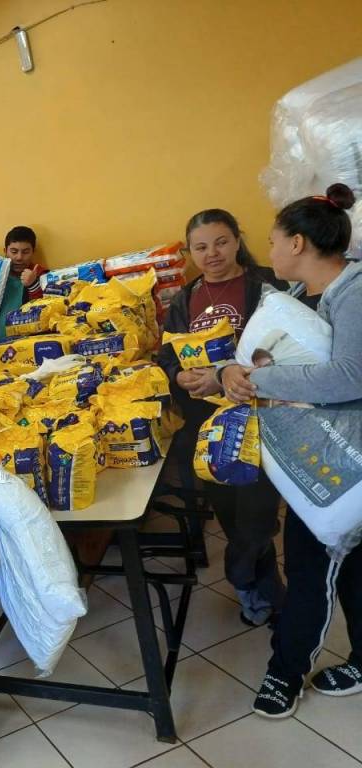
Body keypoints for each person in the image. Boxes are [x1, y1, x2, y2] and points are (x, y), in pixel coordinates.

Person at [219, 184, 362, 718]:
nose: (271, 251)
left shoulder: (355, 293)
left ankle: (285, 673)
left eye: (273, 240)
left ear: (297, 243)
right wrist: (228, 372)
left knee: (309, 563)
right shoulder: (301, 297)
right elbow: (271, 358)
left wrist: (258, 378)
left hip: (346, 462)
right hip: (323, 454)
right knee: (345, 565)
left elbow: (349, 375)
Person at [157, 209, 288, 627]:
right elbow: (166, 357)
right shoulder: (185, 299)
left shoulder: (266, 285)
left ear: (236, 240)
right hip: (209, 427)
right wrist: (178, 376)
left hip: (260, 418)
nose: (211, 253)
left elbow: (287, 348)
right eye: (200, 247)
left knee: (258, 517)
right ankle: (260, 594)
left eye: (221, 242)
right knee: (230, 514)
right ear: (190, 252)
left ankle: (244, 577)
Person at [0, 226, 46, 342]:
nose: (19, 257)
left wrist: (33, 285)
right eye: (14, 251)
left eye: (25, 252)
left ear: (33, 252)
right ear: (5, 251)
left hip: (31, 346)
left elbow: (47, 314)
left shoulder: (43, 276)